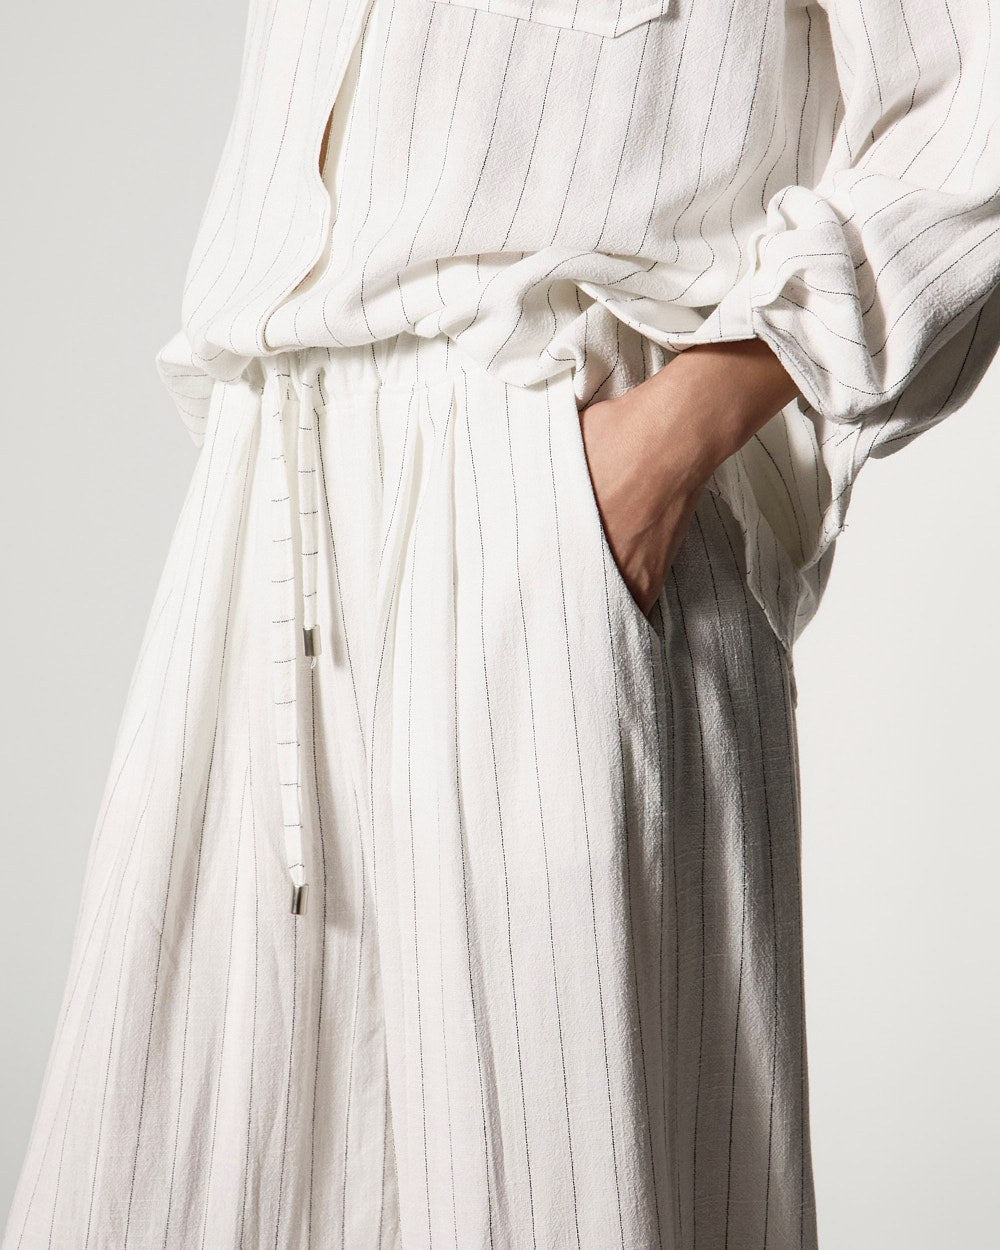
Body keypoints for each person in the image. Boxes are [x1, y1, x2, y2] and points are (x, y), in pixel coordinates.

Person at [5, 0, 1000, 1247]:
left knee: (558, 1180)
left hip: (550, 496)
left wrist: (659, 448)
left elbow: (978, 114)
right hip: (270, 500)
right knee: (171, 1179)